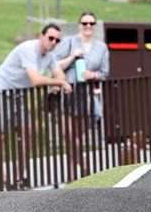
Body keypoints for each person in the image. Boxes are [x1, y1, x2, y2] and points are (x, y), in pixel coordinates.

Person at [0, 23, 72, 187]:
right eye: (51, 38)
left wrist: (58, 81)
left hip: (18, 94)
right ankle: (2, 179)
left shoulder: (49, 54)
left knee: (28, 131)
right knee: (0, 137)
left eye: (57, 40)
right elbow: (36, 80)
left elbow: (58, 72)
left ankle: (19, 176)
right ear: (41, 36)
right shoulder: (28, 49)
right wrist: (59, 83)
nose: (53, 42)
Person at [55, 11, 109, 178]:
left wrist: (92, 75)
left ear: (95, 26)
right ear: (79, 25)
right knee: (68, 136)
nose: (88, 26)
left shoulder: (101, 48)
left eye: (91, 23)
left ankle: (75, 175)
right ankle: (82, 171)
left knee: (75, 138)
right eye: (85, 23)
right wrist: (73, 56)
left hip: (86, 96)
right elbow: (55, 65)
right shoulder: (68, 42)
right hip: (68, 93)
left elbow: (104, 73)